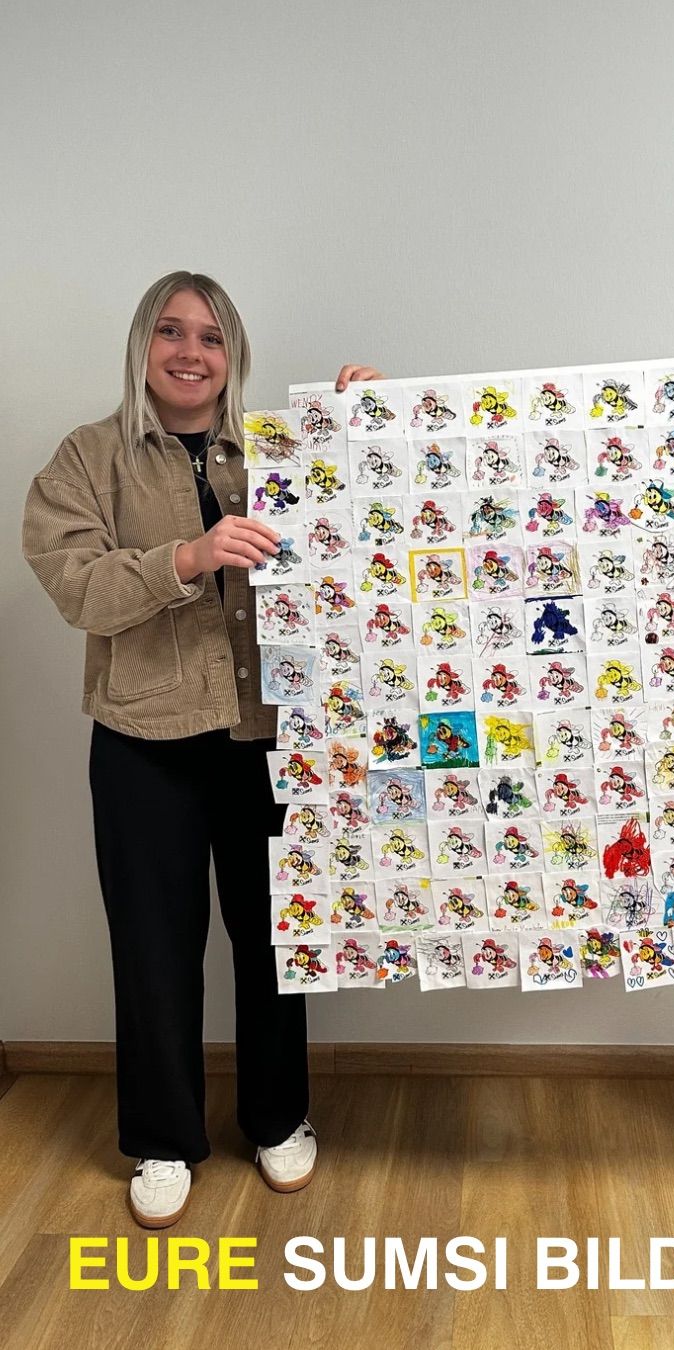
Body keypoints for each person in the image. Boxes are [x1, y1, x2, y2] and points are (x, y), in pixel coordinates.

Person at [22, 272, 382, 1228]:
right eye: (171, 332)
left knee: (277, 939)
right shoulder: (85, 459)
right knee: (153, 946)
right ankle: (160, 1139)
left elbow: (367, 529)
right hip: (143, 740)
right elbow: (76, 587)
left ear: (235, 355)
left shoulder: (279, 448)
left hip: (268, 737)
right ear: (143, 345)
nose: (191, 353)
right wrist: (187, 556)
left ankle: (278, 1119)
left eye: (212, 337)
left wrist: (375, 423)